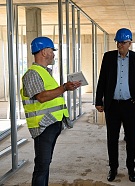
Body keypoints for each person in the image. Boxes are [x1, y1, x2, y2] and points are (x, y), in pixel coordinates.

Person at [95, 28, 135, 182]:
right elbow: (102, 79)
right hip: (112, 106)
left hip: (130, 105)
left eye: (123, 42)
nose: (120, 45)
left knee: (131, 139)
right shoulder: (108, 57)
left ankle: (131, 168)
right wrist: (98, 100)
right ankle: (113, 168)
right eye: (118, 42)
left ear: (130, 43)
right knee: (112, 138)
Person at [20, 36, 81, 186]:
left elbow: (52, 95)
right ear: (44, 52)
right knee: (42, 166)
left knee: (45, 164)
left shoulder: (45, 72)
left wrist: (66, 88)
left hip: (52, 123)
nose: (54, 54)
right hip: (42, 126)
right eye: (52, 51)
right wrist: (64, 88)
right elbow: (41, 97)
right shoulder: (32, 73)